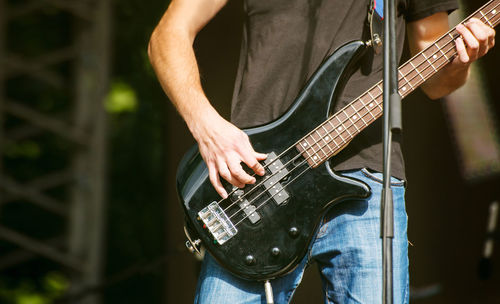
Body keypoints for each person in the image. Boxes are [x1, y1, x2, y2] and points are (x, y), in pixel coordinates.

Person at [148, 0, 496, 303]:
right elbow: (168, 35)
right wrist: (207, 127)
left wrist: (462, 59)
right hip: (257, 182)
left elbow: (435, 80)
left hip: (368, 185)